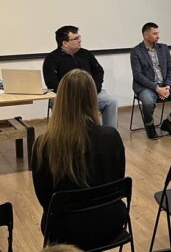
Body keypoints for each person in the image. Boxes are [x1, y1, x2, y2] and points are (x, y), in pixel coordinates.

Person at [31, 69, 126, 250]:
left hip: (66, 231)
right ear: (92, 99)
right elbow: (117, 180)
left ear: (61, 100)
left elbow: (44, 199)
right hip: (111, 221)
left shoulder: (44, 145)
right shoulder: (111, 136)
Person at [42, 25, 119, 128]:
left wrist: (94, 89)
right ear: (65, 43)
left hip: (90, 92)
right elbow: (51, 83)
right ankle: (69, 135)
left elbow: (99, 71)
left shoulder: (86, 54)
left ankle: (109, 134)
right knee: (57, 103)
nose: (80, 40)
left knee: (111, 101)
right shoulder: (51, 59)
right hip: (65, 96)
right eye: (76, 38)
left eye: (79, 37)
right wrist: (73, 93)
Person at [130, 22, 171, 139]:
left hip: (164, 85)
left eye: (158, 33)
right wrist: (157, 88)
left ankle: (168, 123)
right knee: (148, 103)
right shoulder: (136, 51)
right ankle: (150, 126)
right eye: (155, 34)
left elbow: (170, 69)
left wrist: (167, 86)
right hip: (146, 87)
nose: (158, 36)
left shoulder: (163, 48)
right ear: (145, 35)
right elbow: (138, 75)